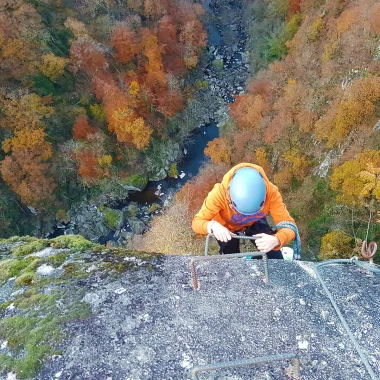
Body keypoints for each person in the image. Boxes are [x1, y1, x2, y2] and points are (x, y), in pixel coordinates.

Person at [192, 163, 297, 259]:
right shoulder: (218, 194)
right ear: (229, 195)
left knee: (274, 257)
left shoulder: (271, 192)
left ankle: (259, 261)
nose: (242, 214)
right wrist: (212, 226)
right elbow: (196, 222)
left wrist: (277, 239)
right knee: (233, 260)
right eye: (234, 208)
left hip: (255, 221)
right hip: (226, 228)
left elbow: (290, 226)